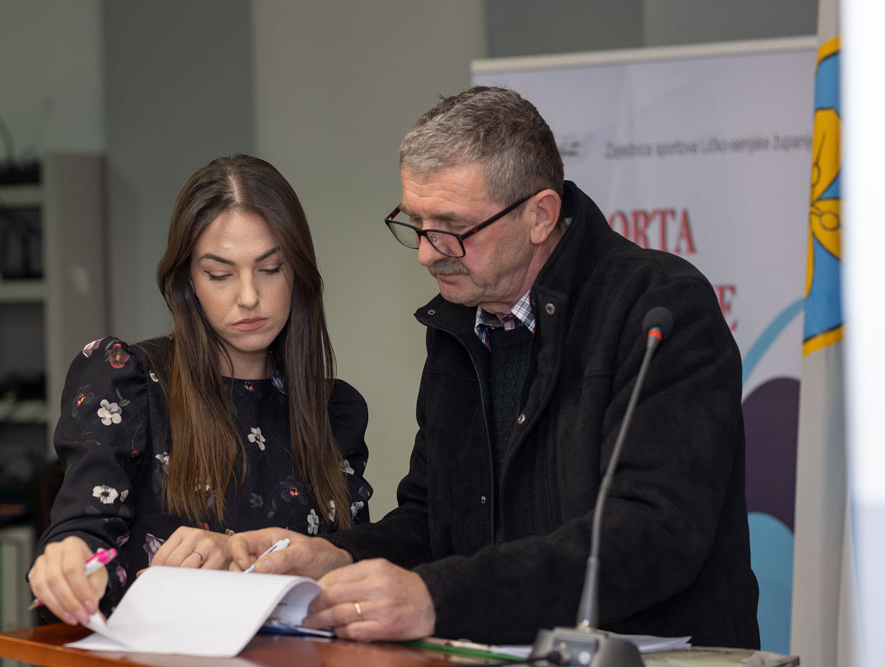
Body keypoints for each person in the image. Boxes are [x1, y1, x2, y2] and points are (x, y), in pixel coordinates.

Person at [228, 87, 760, 648]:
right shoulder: (460, 323)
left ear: (540, 216)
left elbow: (651, 536)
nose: (427, 253)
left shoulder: (659, 310)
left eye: (452, 227)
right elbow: (432, 521)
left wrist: (436, 599)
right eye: (416, 222)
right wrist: (339, 556)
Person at [27, 154, 373, 626]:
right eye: (220, 275)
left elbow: (351, 573)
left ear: (299, 273)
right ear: (187, 280)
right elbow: (82, 528)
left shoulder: (332, 410)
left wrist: (243, 560)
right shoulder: (127, 382)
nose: (248, 297)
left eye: (271, 268)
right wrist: (68, 557)